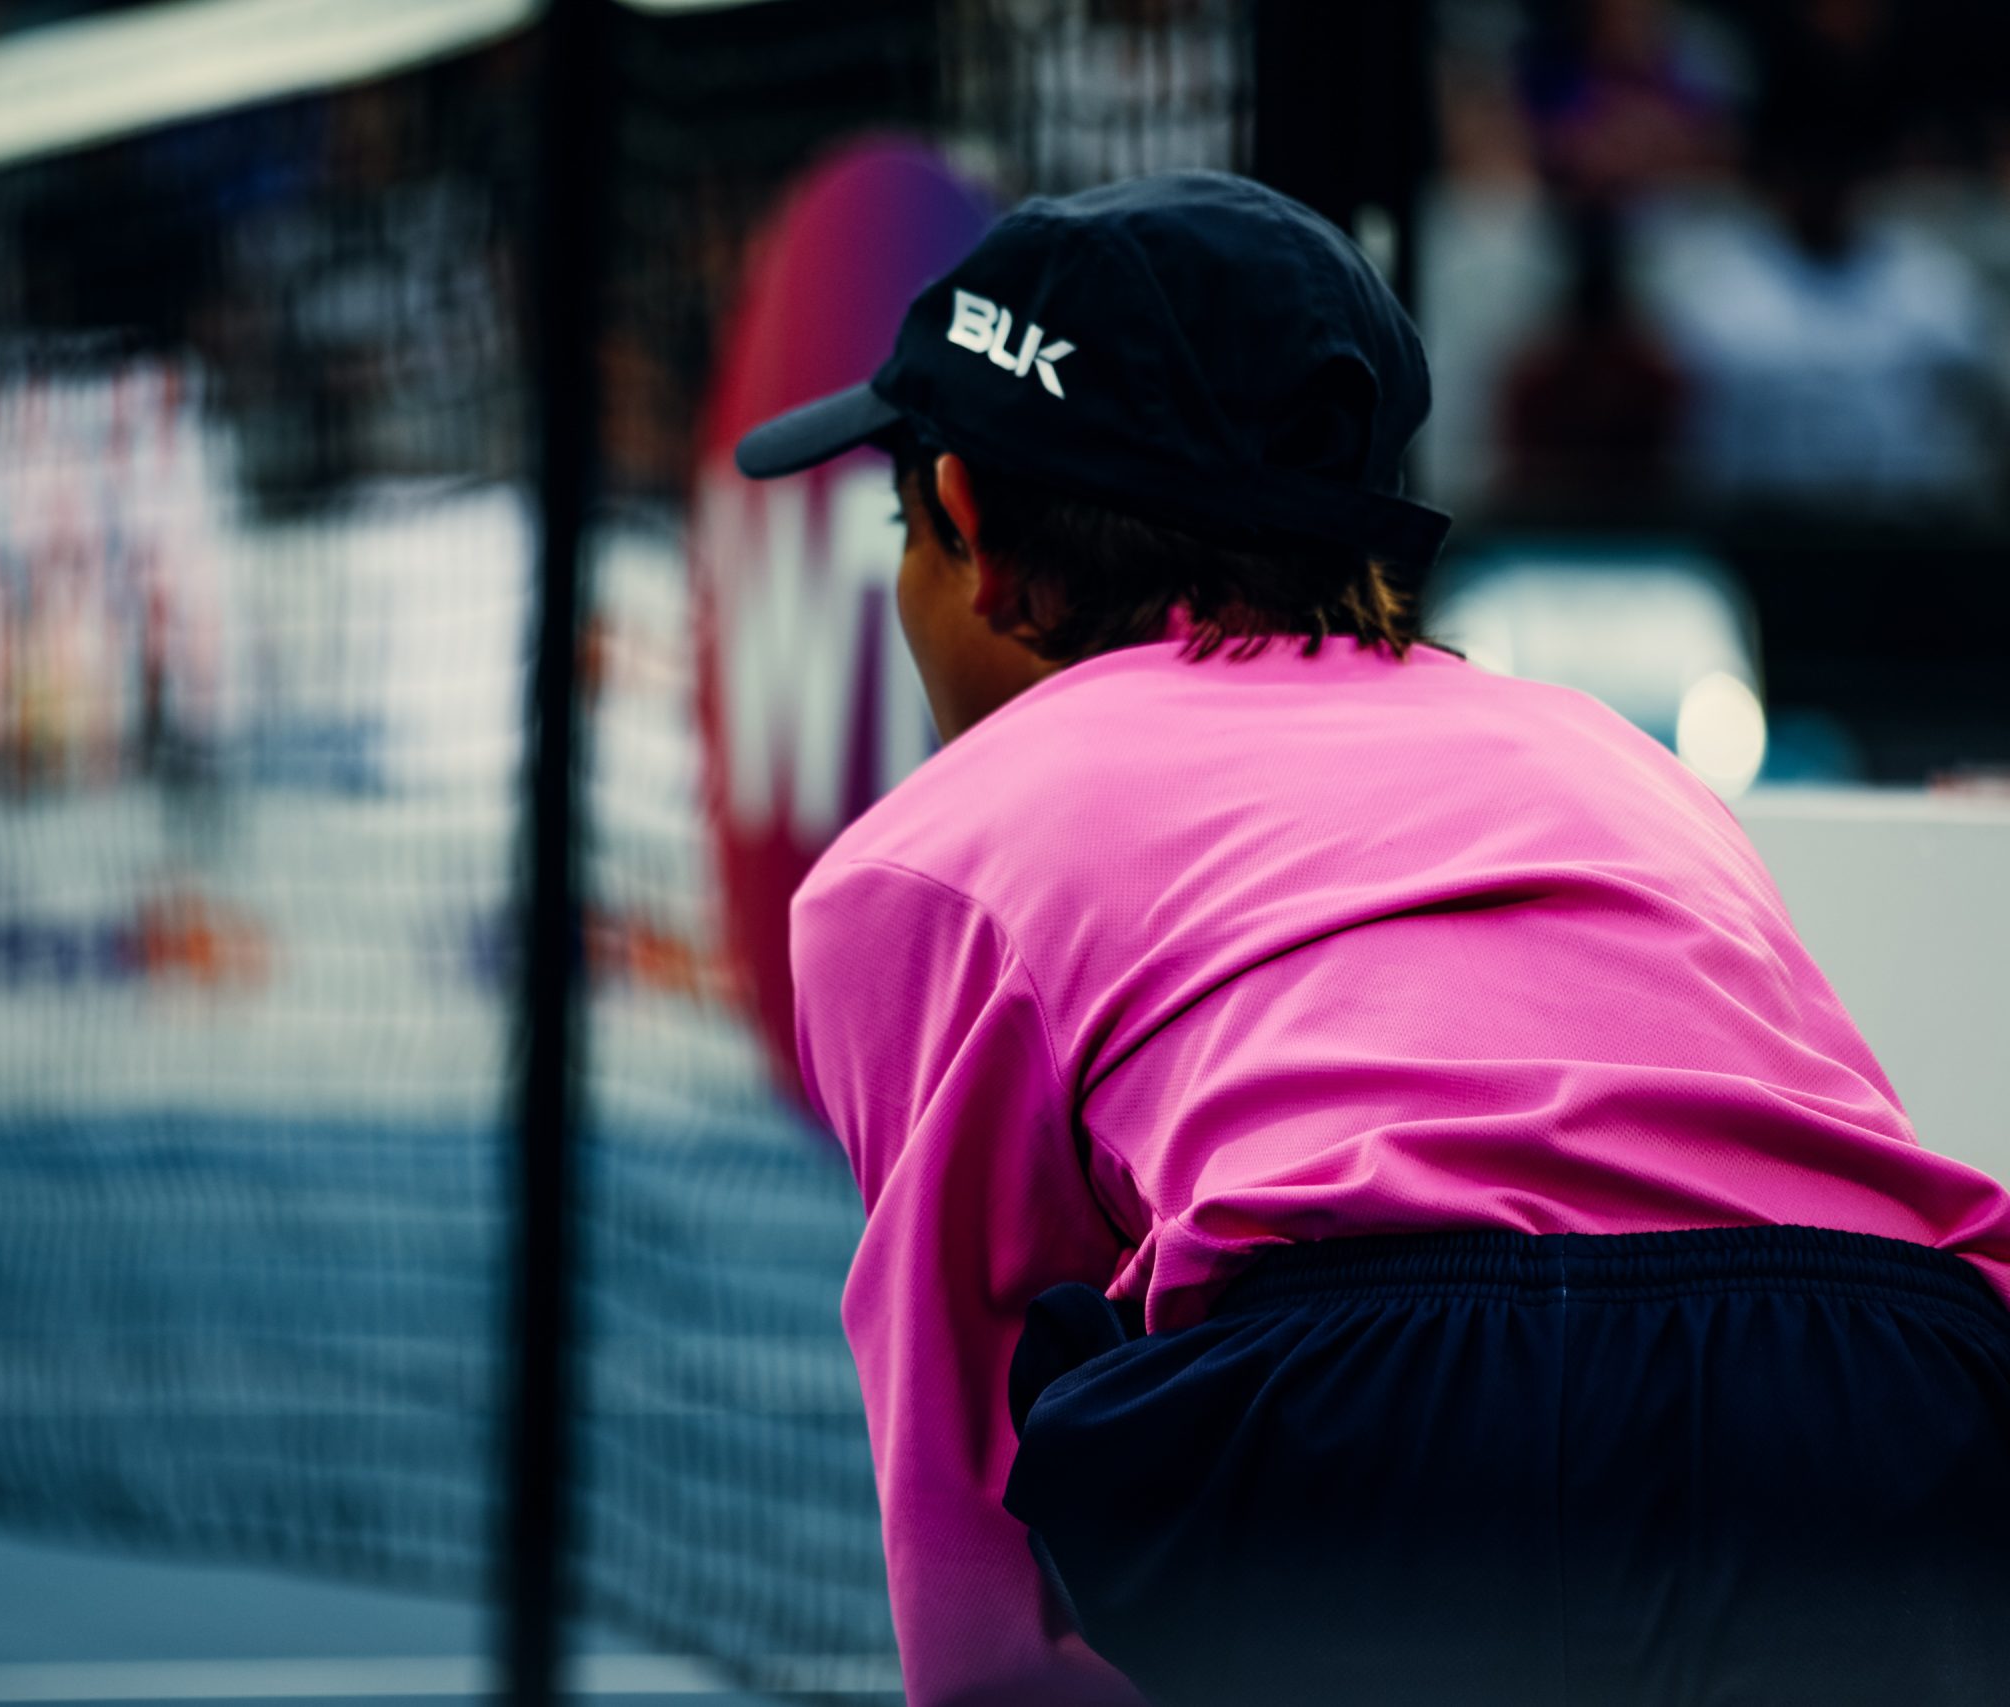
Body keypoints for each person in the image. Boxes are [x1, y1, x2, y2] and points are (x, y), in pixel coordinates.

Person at [732, 171, 2010, 1707]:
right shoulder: (1608, 757)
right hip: (1896, 1385)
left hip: (1365, 1397)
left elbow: (985, 1583)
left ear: (966, 526)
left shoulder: (928, 860)